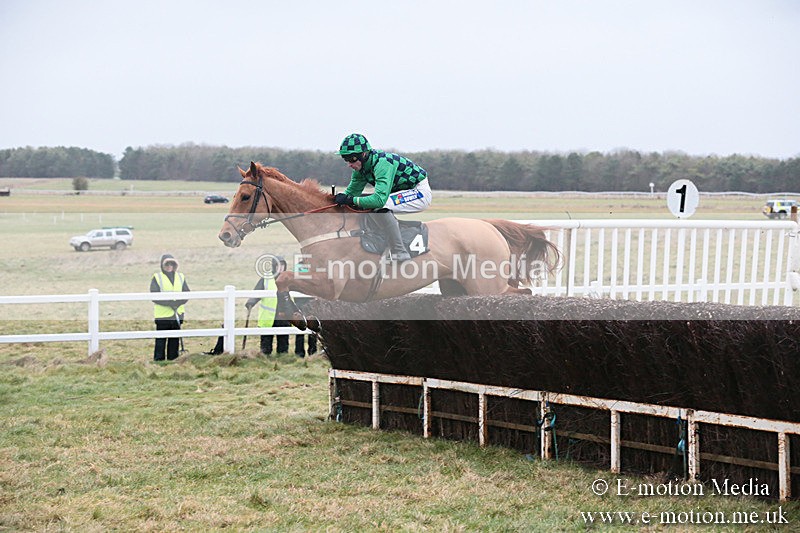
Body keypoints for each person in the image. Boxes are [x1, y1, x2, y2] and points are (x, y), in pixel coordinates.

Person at [334, 133, 432, 261]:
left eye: (351, 159)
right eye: (345, 159)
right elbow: (351, 194)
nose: (349, 164)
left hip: (418, 192)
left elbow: (379, 201)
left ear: (364, 154)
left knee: (378, 205)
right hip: (400, 192)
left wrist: (350, 199)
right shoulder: (361, 169)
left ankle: (399, 251)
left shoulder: (382, 164)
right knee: (362, 201)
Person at [245, 256, 289, 355]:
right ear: (274, 266)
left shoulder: (288, 278)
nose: (281, 268)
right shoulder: (266, 278)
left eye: (283, 265)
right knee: (266, 340)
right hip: (268, 316)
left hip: (283, 314)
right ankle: (265, 356)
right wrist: (250, 302)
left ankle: (283, 357)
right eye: (278, 265)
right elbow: (257, 292)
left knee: (283, 339)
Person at [150, 254, 190, 361]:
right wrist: (171, 303)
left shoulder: (180, 277)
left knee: (174, 339)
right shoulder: (157, 277)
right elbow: (154, 296)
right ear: (162, 265)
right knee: (161, 340)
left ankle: (173, 359)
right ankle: (159, 360)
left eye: (171, 264)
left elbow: (187, 293)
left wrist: (178, 303)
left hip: (178, 314)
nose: (169, 266)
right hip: (162, 315)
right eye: (167, 264)